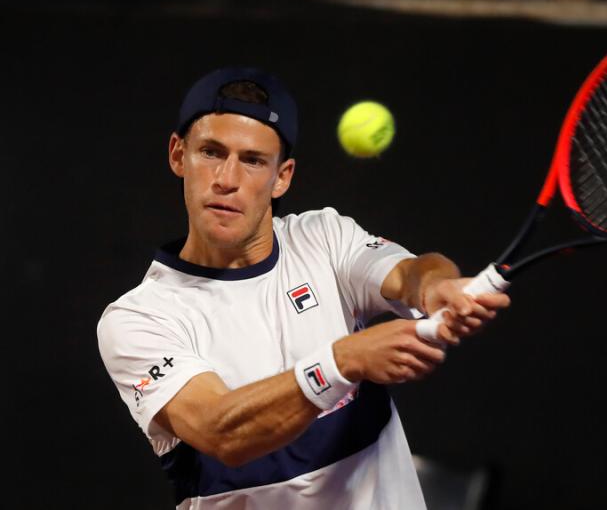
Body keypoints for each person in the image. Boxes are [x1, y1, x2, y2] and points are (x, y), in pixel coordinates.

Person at [97, 67, 510, 509]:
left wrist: (437, 288)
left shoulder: (324, 238)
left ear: (282, 177)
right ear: (179, 156)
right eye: (211, 152)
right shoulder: (139, 318)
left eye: (253, 160)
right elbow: (222, 430)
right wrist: (343, 361)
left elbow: (412, 272)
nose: (227, 179)